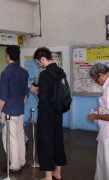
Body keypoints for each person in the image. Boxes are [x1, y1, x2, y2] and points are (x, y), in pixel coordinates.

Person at [30, 47, 67, 180]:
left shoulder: (45, 74)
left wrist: (35, 91)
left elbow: (43, 97)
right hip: (58, 111)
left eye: (38, 62)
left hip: (47, 113)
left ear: (43, 59)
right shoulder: (60, 71)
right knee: (57, 140)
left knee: (45, 141)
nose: (39, 65)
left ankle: (47, 176)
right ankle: (57, 172)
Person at [0, 45, 29, 174]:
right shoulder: (24, 72)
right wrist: (19, 104)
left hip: (9, 112)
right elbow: (25, 95)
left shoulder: (6, 72)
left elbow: (3, 96)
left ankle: (14, 165)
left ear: (8, 56)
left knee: (10, 139)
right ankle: (21, 161)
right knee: (20, 136)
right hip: (20, 111)